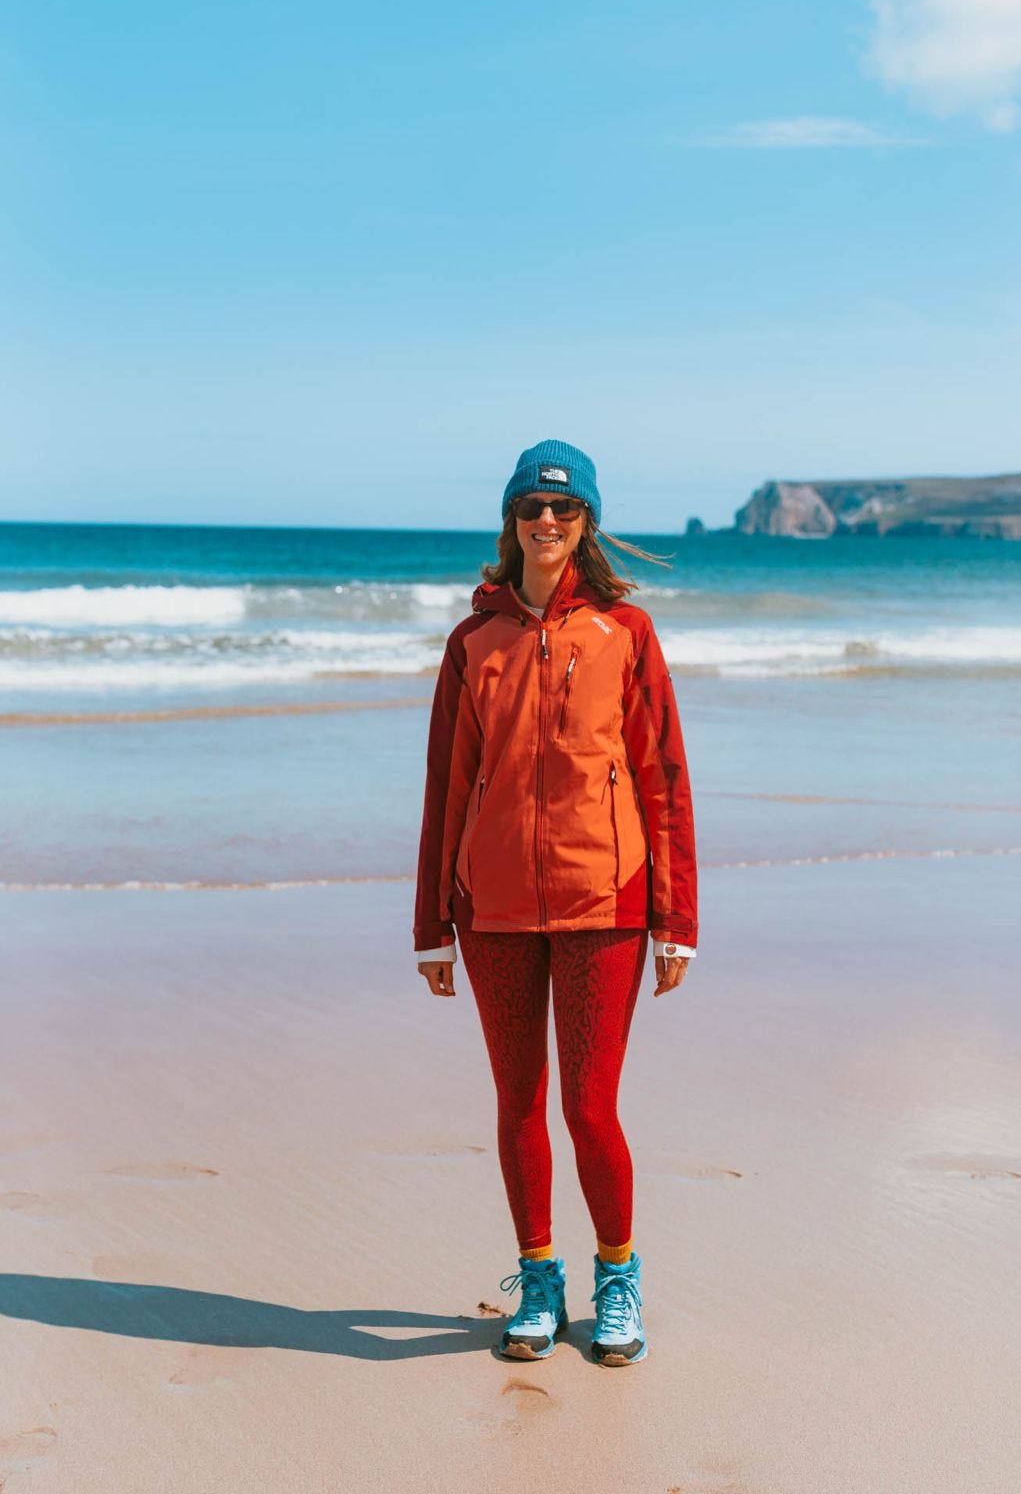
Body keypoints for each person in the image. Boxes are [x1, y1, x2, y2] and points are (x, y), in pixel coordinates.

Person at [413, 440, 697, 1366]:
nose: (546, 522)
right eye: (532, 508)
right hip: (489, 906)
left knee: (588, 1107)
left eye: (563, 511)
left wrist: (676, 919)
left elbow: (663, 779)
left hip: (604, 902)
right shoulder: (473, 642)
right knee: (517, 1103)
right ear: (511, 521)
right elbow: (447, 788)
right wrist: (430, 926)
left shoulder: (626, 633)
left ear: (585, 525)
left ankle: (617, 1278)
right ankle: (539, 1279)